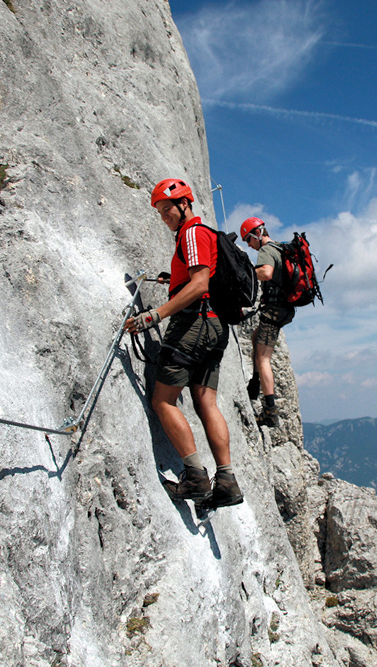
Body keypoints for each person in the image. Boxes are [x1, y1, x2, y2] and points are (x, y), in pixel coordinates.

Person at [125, 178, 243, 508]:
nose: (165, 218)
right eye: (161, 213)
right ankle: (226, 481)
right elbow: (197, 276)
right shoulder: (202, 237)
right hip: (215, 327)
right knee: (207, 403)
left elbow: (200, 282)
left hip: (193, 324)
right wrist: (171, 279)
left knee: (163, 400)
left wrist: (154, 316)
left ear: (184, 205)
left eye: (167, 211)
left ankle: (194, 478)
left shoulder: (191, 232)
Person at [239, 217, 295, 428]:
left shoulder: (266, 250)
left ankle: (270, 411)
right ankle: (254, 383)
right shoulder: (280, 248)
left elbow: (266, 272)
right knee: (256, 337)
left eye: (248, 240)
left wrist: (246, 273)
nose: (249, 245)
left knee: (263, 358)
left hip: (274, 311)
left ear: (257, 234)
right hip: (283, 309)